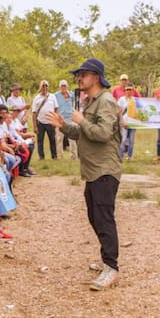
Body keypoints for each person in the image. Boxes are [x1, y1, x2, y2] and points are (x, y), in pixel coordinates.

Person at [46, 58, 122, 291]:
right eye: (78, 75)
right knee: (94, 216)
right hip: (92, 171)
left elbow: (103, 134)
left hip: (105, 170)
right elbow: (83, 134)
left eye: (84, 74)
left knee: (104, 218)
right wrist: (65, 126)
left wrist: (80, 120)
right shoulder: (91, 102)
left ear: (96, 77)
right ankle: (105, 260)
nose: (79, 78)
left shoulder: (106, 101)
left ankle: (112, 267)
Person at [32, 80, 59, 160]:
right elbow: (34, 113)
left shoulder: (52, 96)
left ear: (48, 87)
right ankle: (41, 156)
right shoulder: (36, 98)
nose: (44, 88)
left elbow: (56, 109)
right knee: (40, 140)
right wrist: (35, 126)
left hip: (50, 121)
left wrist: (55, 120)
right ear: (40, 87)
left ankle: (54, 156)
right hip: (40, 121)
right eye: (43, 86)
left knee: (52, 140)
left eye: (46, 86)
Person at [54, 80, 78, 160]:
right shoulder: (56, 95)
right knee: (59, 139)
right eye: (62, 86)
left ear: (67, 86)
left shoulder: (71, 94)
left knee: (72, 139)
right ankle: (60, 156)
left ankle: (74, 156)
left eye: (64, 86)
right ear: (59, 87)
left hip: (70, 119)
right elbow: (54, 106)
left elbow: (74, 105)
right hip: (60, 119)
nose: (63, 87)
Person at [117, 85, 137, 160]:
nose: (128, 91)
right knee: (123, 139)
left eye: (130, 90)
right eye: (127, 89)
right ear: (125, 91)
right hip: (124, 122)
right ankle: (120, 156)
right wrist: (122, 121)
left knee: (131, 140)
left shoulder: (135, 100)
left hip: (133, 123)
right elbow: (119, 112)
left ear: (132, 91)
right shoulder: (121, 99)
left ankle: (130, 156)